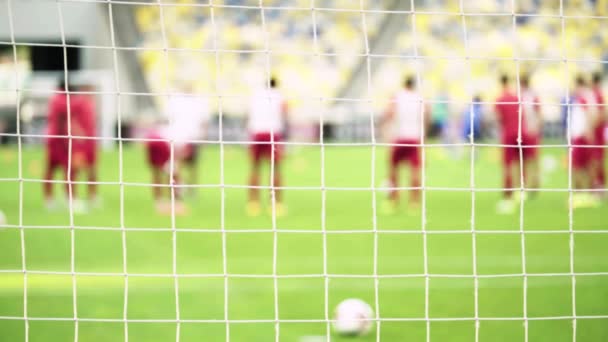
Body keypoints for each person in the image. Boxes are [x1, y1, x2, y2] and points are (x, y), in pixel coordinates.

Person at [379, 75, 430, 214]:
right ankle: (414, 203)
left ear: (404, 84)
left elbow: (389, 114)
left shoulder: (397, 97)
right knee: (415, 170)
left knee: (393, 170)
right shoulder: (420, 98)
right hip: (415, 137)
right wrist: (424, 136)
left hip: (399, 137)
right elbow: (427, 116)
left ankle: (393, 201)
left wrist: (386, 133)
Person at [44, 78, 88, 213]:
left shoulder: (54, 99)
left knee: (51, 169)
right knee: (70, 170)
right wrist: (78, 134)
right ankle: (70, 200)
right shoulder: (64, 101)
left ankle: (49, 200)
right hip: (61, 141)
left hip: (52, 139)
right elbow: (65, 121)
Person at [246, 77, 288, 217]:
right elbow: (285, 112)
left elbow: (248, 114)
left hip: (256, 132)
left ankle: (253, 203)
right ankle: (275, 203)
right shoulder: (279, 95)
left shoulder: (255, 94)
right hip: (272, 132)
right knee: (275, 168)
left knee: (255, 167)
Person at [164, 81, 210, 196]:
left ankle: (185, 189)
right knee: (179, 164)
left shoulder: (197, 101)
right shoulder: (176, 100)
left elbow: (203, 121)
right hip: (179, 137)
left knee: (190, 165)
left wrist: (203, 137)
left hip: (192, 137)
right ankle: (176, 188)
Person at [494, 74, 531, 214]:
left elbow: (498, 119)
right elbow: (523, 115)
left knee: (508, 164)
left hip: (508, 134)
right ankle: (521, 189)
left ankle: (509, 191)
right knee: (520, 162)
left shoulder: (500, 99)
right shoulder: (517, 98)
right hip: (521, 133)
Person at [570, 75, 600, 208]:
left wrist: (588, 131)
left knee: (579, 165)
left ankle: (583, 194)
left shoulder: (584, 96)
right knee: (584, 165)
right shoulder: (587, 96)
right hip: (581, 135)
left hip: (582, 136)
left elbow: (590, 114)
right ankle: (587, 193)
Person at [520, 74, 543, 193]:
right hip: (528, 131)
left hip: (529, 131)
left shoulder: (528, 96)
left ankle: (532, 184)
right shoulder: (529, 96)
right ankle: (532, 184)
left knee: (530, 159)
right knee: (530, 159)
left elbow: (539, 114)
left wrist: (536, 128)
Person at [591, 72, 606, 193]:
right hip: (598, 131)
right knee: (596, 159)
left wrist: (594, 123)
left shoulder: (597, 94)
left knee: (597, 159)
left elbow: (604, 112)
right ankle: (597, 184)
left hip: (598, 132)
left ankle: (599, 185)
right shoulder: (597, 93)